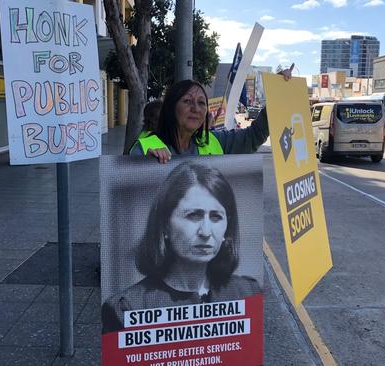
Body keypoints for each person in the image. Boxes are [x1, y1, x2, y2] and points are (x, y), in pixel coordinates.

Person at [101, 161, 261, 333]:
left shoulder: (247, 292)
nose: (206, 232)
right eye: (193, 215)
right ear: (165, 225)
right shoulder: (127, 309)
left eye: (216, 217)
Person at [130, 65, 294, 163]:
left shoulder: (214, 140)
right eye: (187, 101)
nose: (196, 108)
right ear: (171, 108)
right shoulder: (144, 149)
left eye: (202, 103)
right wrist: (144, 167)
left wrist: (276, 92)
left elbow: (253, 136)